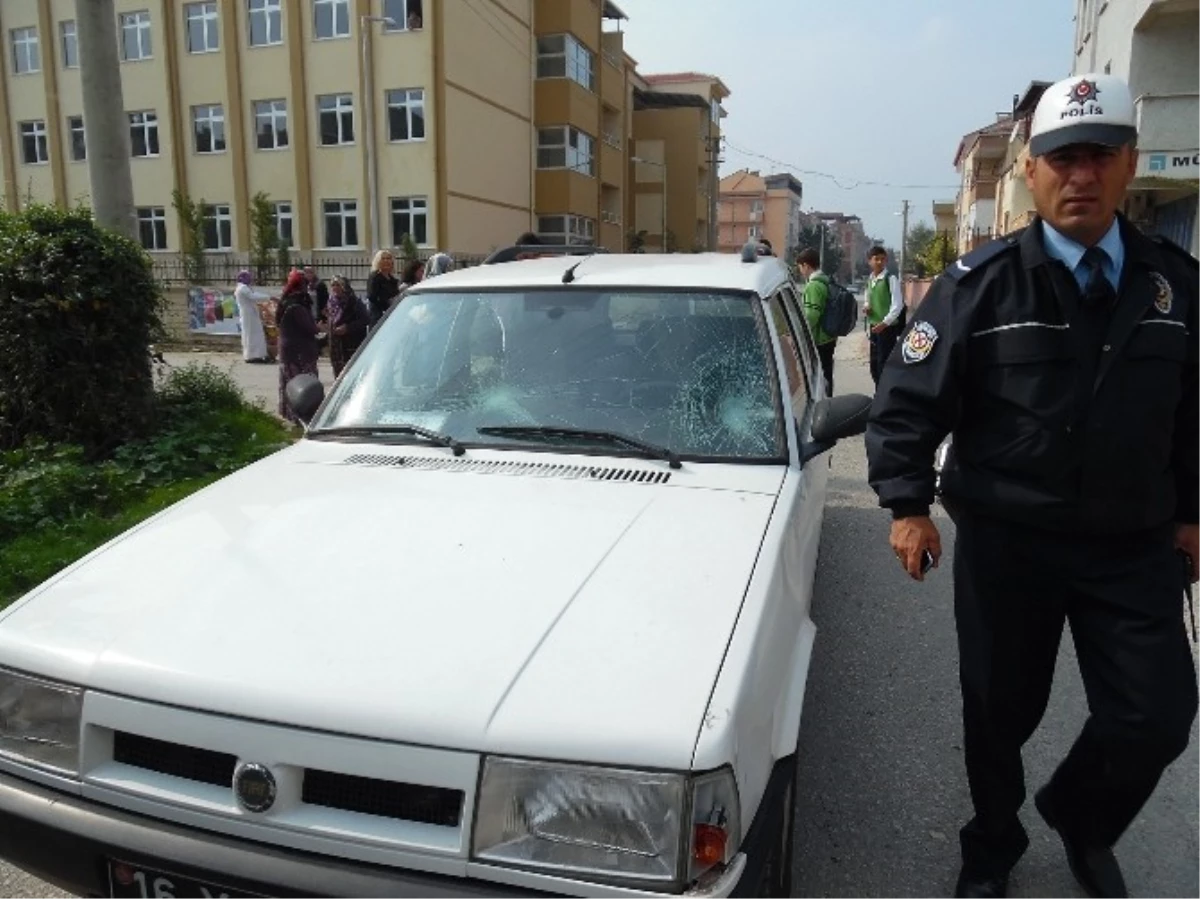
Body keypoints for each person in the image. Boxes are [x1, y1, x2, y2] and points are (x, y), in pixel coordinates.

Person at [864, 73, 1200, 899]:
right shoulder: (977, 285)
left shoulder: (1177, 287)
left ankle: (1081, 817)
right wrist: (908, 504)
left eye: (1097, 155)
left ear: (1127, 163)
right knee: (998, 713)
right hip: (1011, 544)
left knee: (1156, 713)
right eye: (1061, 158)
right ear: (1033, 170)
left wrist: (1194, 514)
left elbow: (1195, 415)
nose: (1079, 174)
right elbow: (905, 403)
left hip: (1133, 543)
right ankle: (992, 846)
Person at [276, 269, 324, 423]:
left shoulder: (286, 301)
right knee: (302, 386)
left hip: (289, 350)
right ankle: (300, 417)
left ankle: (289, 415)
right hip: (299, 352)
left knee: (289, 383)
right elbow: (309, 328)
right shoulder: (296, 305)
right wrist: (319, 327)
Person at [863, 246, 905, 385]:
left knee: (884, 363)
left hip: (887, 329)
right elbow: (867, 298)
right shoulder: (870, 280)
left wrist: (885, 323)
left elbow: (897, 305)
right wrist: (866, 307)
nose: (880, 262)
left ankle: (884, 395)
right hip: (874, 327)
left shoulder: (890, 279)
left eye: (883, 259)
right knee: (874, 363)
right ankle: (878, 392)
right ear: (869, 261)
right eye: (876, 259)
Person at [796, 248, 836, 395]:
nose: (800, 271)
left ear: (806, 265)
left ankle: (826, 406)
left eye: (800, 267)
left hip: (819, 338)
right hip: (828, 335)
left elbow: (811, 315)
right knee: (827, 373)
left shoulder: (813, 286)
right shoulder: (825, 281)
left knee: (821, 376)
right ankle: (829, 401)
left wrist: (799, 333)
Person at [326, 276, 368, 378]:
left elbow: (365, 319)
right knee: (338, 376)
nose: (335, 288)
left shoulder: (354, 302)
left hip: (351, 345)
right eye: (333, 285)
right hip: (336, 347)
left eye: (338, 285)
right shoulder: (331, 302)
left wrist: (348, 328)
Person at [233, 270, 271, 363]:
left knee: (254, 334)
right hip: (248, 314)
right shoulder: (243, 288)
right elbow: (253, 296)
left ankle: (256, 355)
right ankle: (252, 356)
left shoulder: (243, 287)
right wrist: (269, 297)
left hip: (249, 314)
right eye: (249, 277)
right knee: (252, 334)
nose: (251, 279)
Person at [366, 250, 401, 327]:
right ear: (378, 261)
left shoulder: (393, 279)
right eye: (383, 258)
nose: (386, 261)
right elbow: (372, 296)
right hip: (378, 315)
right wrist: (385, 304)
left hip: (392, 314)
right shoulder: (374, 277)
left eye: (388, 258)